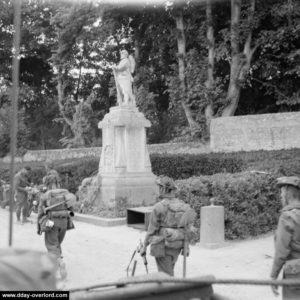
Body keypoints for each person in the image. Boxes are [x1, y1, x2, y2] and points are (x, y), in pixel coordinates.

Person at [140, 176, 196, 276]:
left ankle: (170, 290)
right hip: (177, 246)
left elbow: (151, 230)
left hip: (162, 247)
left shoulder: (159, 207)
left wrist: (144, 246)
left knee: (165, 277)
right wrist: (186, 247)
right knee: (169, 272)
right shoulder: (183, 206)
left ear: (162, 189)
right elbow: (187, 228)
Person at [37, 173, 76, 280]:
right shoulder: (66, 192)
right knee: (57, 242)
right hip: (64, 222)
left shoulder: (46, 195)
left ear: (47, 183)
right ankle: (56, 259)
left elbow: (40, 211)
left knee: (51, 244)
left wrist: (39, 226)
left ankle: (60, 262)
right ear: (58, 182)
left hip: (51, 221)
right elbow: (71, 209)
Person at [271, 176, 300, 299]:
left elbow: (281, 252)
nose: (280, 196)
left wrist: (274, 276)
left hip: (296, 273)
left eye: (281, 192)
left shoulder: (287, 217)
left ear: (287, 193)